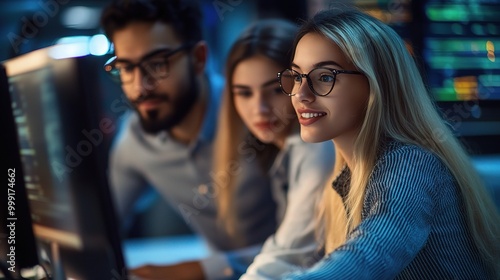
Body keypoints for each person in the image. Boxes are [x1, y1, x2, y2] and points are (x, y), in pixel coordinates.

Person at [276, 7, 500, 279]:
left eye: (325, 76)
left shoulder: (410, 164)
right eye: (297, 76)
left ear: (377, 83)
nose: (300, 94)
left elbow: (372, 253)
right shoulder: (345, 179)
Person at [100, 0, 278, 279]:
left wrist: (199, 270)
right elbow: (100, 231)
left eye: (157, 64)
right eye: (125, 68)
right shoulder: (134, 141)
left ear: (198, 59)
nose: (139, 86)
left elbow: (310, 243)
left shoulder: (258, 115)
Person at [212, 19, 335, 279]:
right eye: (244, 93)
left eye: (275, 90)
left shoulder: (316, 149)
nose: (260, 109)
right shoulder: (282, 153)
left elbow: (290, 255)